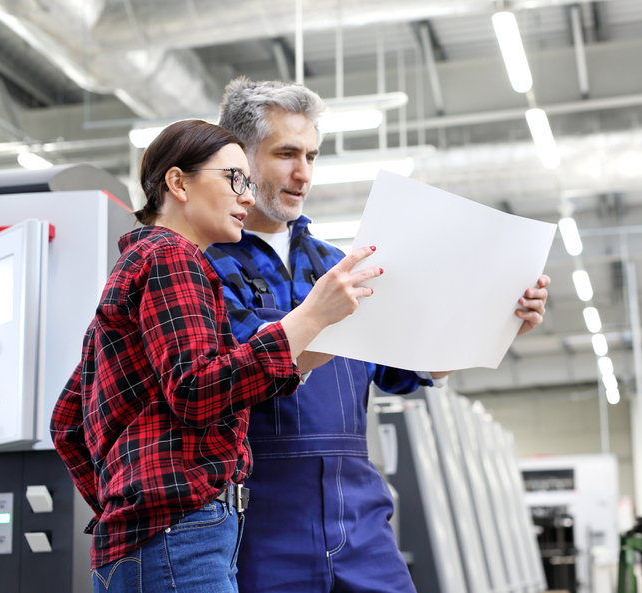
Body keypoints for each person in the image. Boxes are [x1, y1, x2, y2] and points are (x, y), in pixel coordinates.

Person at [205, 78, 551, 593]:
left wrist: (498, 319)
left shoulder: (341, 264)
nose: (304, 173)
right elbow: (223, 378)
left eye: (313, 155)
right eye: (286, 154)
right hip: (262, 520)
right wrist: (318, 319)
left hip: (361, 518)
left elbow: (405, 371)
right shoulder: (203, 265)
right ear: (239, 159)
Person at [50, 119, 383, 593]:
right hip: (182, 536)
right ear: (178, 182)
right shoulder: (173, 258)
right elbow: (198, 390)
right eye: (234, 178)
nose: (247, 196)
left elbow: (67, 421)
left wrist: (123, 506)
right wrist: (309, 317)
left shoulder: (134, 266)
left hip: (152, 539)